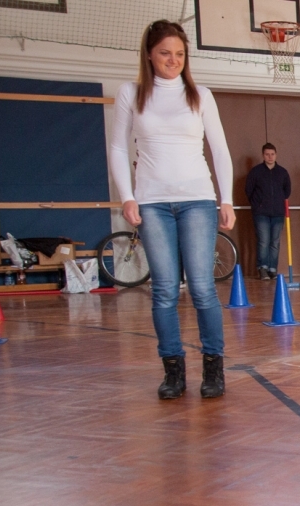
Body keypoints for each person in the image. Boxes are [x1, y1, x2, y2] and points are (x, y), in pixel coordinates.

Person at [109, 20, 234, 400]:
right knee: (163, 289)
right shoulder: (131, 93)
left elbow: (219, 149)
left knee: (201, 287)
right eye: (165, 53)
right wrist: (127, 196)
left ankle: (213, 367)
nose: (173, 60)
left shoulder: (200, 95)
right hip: (152, 202)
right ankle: (173, 370)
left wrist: (226, 198)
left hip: (198, 200)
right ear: (149, 54)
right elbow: (118, 147)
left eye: (180, 54)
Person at [245, 143, 291, 280]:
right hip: (261, 213)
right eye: (267, 154)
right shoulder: (256, 172)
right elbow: (248, 190)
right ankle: (263, 268)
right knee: (263, 241)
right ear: (263, 155)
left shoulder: (282, 172)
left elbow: (287, 191)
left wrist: (279, 202)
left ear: (276, 155)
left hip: (278, 213)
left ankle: (272, 269)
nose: (270, 157)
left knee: (275, 242)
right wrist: (257, 205)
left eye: (272, 154)